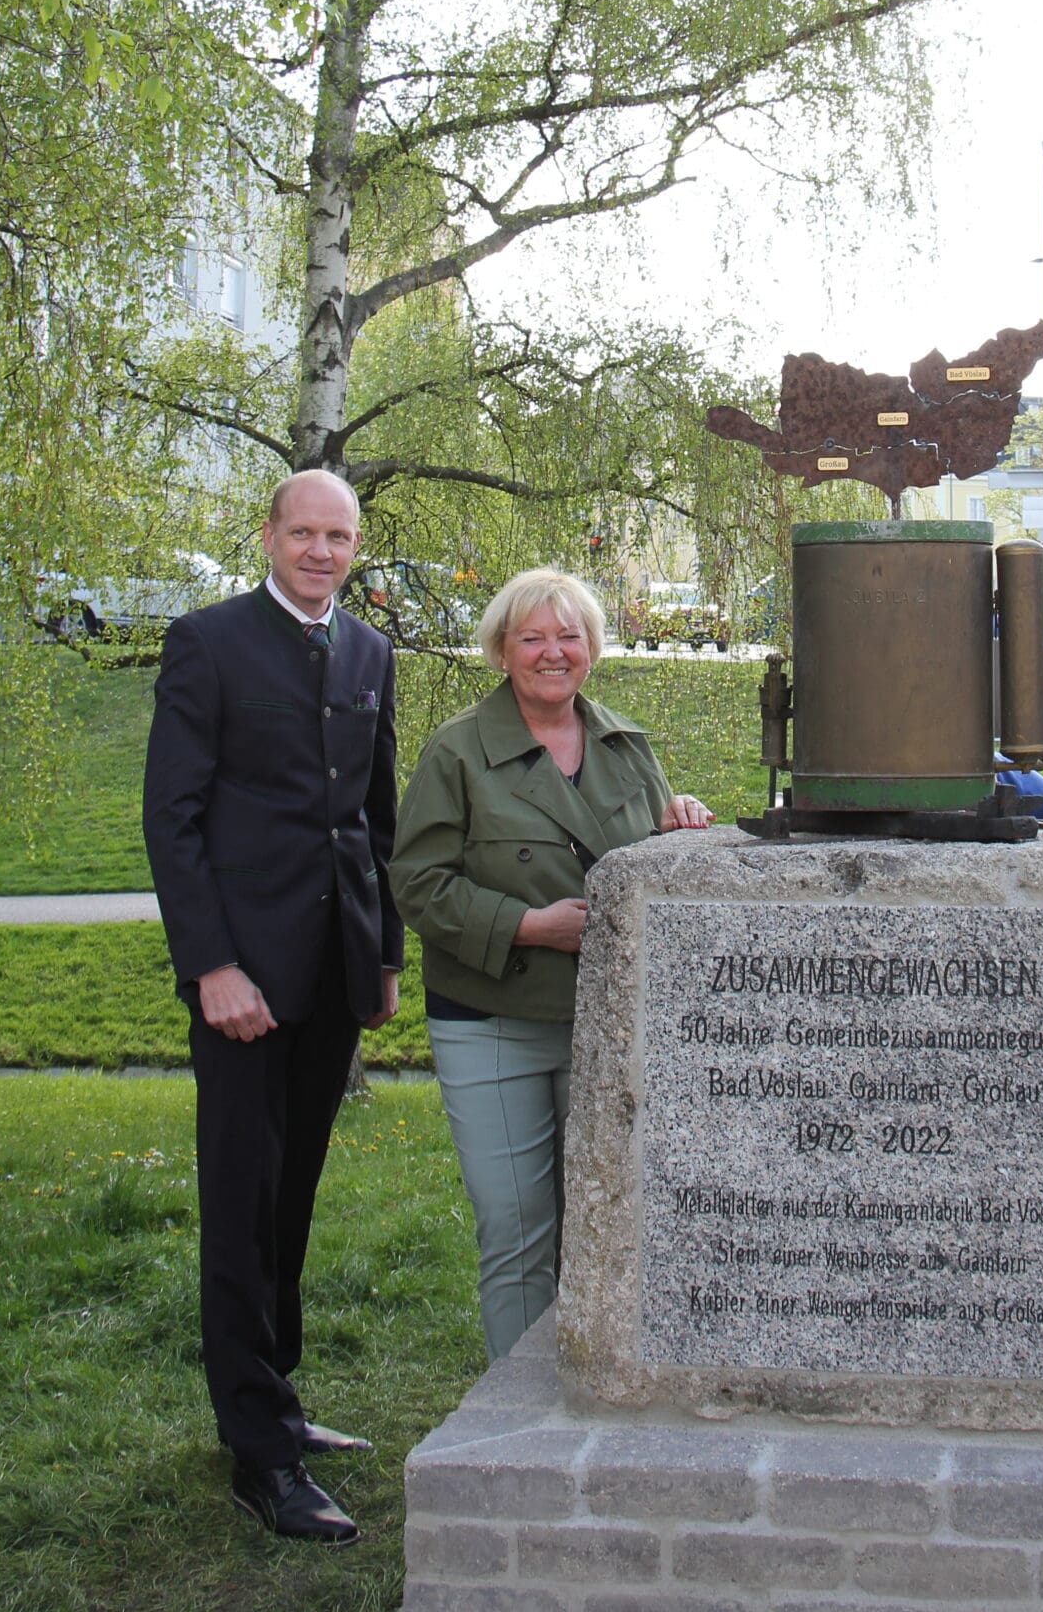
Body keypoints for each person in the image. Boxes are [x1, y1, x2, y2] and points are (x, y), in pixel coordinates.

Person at [143, 470, 401, 1544]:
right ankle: (258, 1454)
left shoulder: (369, 650)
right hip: (242, 982)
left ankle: (277, 1401)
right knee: (241, 1203)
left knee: (291, 1197)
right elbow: (172, 816)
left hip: (333, 973)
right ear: (268, 535)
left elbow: (374, 819)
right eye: (303, 532)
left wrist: (383, 954)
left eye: (338, 536)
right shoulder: (207, 642)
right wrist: (211, 966)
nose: (320, 551)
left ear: (354, 545)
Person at [390, 568, 712, 1361]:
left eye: (569, 636)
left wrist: (678, 822)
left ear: (592, 648)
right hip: (491, 1023)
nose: (551, 653)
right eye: (531, 637)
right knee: (516, 1229)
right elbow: (417, 884)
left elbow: (646, 864)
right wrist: (530, 927)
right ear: (501, 650)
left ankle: (594, 1388)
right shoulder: (457, 751)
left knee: (600, 1222)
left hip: (603, 1024)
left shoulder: (625, 747)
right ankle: (516, 1404)